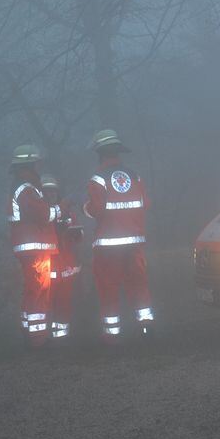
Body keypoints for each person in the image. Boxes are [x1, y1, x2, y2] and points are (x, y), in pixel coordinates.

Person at [83, 129, 154, 343]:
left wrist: (85, 208)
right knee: (139, 284)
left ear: (99, 154)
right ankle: (146, 326)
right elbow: (146, 204)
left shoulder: (97, 180)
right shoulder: (135, 176)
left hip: (108, 245)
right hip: (134, 241)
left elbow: (97, 209)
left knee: (109, 287)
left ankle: (112, 335)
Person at [8, 144, 62, 348]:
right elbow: (44, 214)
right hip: (35, 247)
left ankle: (27, 331)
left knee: (32, 289)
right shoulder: (26, 189)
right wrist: (62, 208)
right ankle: (38, 338)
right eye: (35, 164)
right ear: (28, 166)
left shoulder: (21, 187)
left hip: (29, 247)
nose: (38, 168)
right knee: (40, 289)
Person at [41, 174, 81, 342]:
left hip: (66, 269)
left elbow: (78, 236)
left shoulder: (68, 213)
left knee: (64, 305)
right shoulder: (40, 215)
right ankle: (42, 338)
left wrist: (75, 233)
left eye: (53, 192)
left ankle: (61, 339)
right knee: (44, 304)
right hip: (45, 270)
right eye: (47, 192)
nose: (51, 195)